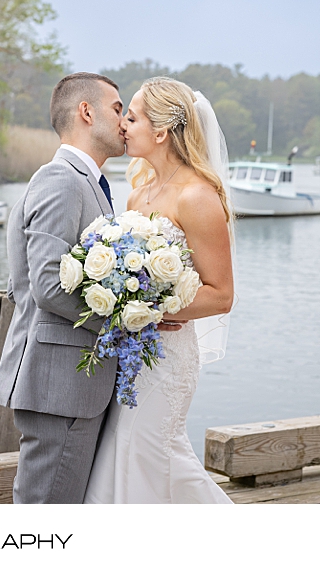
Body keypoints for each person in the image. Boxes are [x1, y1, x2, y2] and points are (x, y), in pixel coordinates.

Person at [84, 77, 236, 504]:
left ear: (161, 132)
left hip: (168, 357)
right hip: (131, 354)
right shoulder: (137, 196)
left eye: (131, 118)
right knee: (123, 453)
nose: (123, 127)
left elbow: (221, 294)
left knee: (154, 454)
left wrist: (151, 308)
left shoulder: (198, 197)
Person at [0, 71, 126, 504]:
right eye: (117, 109)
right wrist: (124, 320)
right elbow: (47, 285)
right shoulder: (62, 180)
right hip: (59, 387)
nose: (124, 122)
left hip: (68, 385)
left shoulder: (87, 184)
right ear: (86, 112)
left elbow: (23, 287)